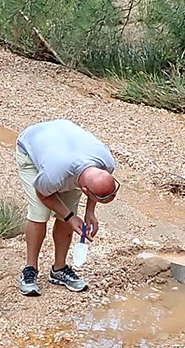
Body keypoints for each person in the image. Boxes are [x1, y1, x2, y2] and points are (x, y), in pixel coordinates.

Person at [14, 119, 117, 296]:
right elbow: (43, 194)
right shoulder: (54, 175)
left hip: (64, 142)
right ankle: (30, 270)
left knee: (68, 213)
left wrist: (89, 212)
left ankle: (59, 269)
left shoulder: (106, 162)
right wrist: (70, 217)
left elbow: (96, 189)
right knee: (40, 213)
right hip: (31, 147)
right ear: (84, 189)